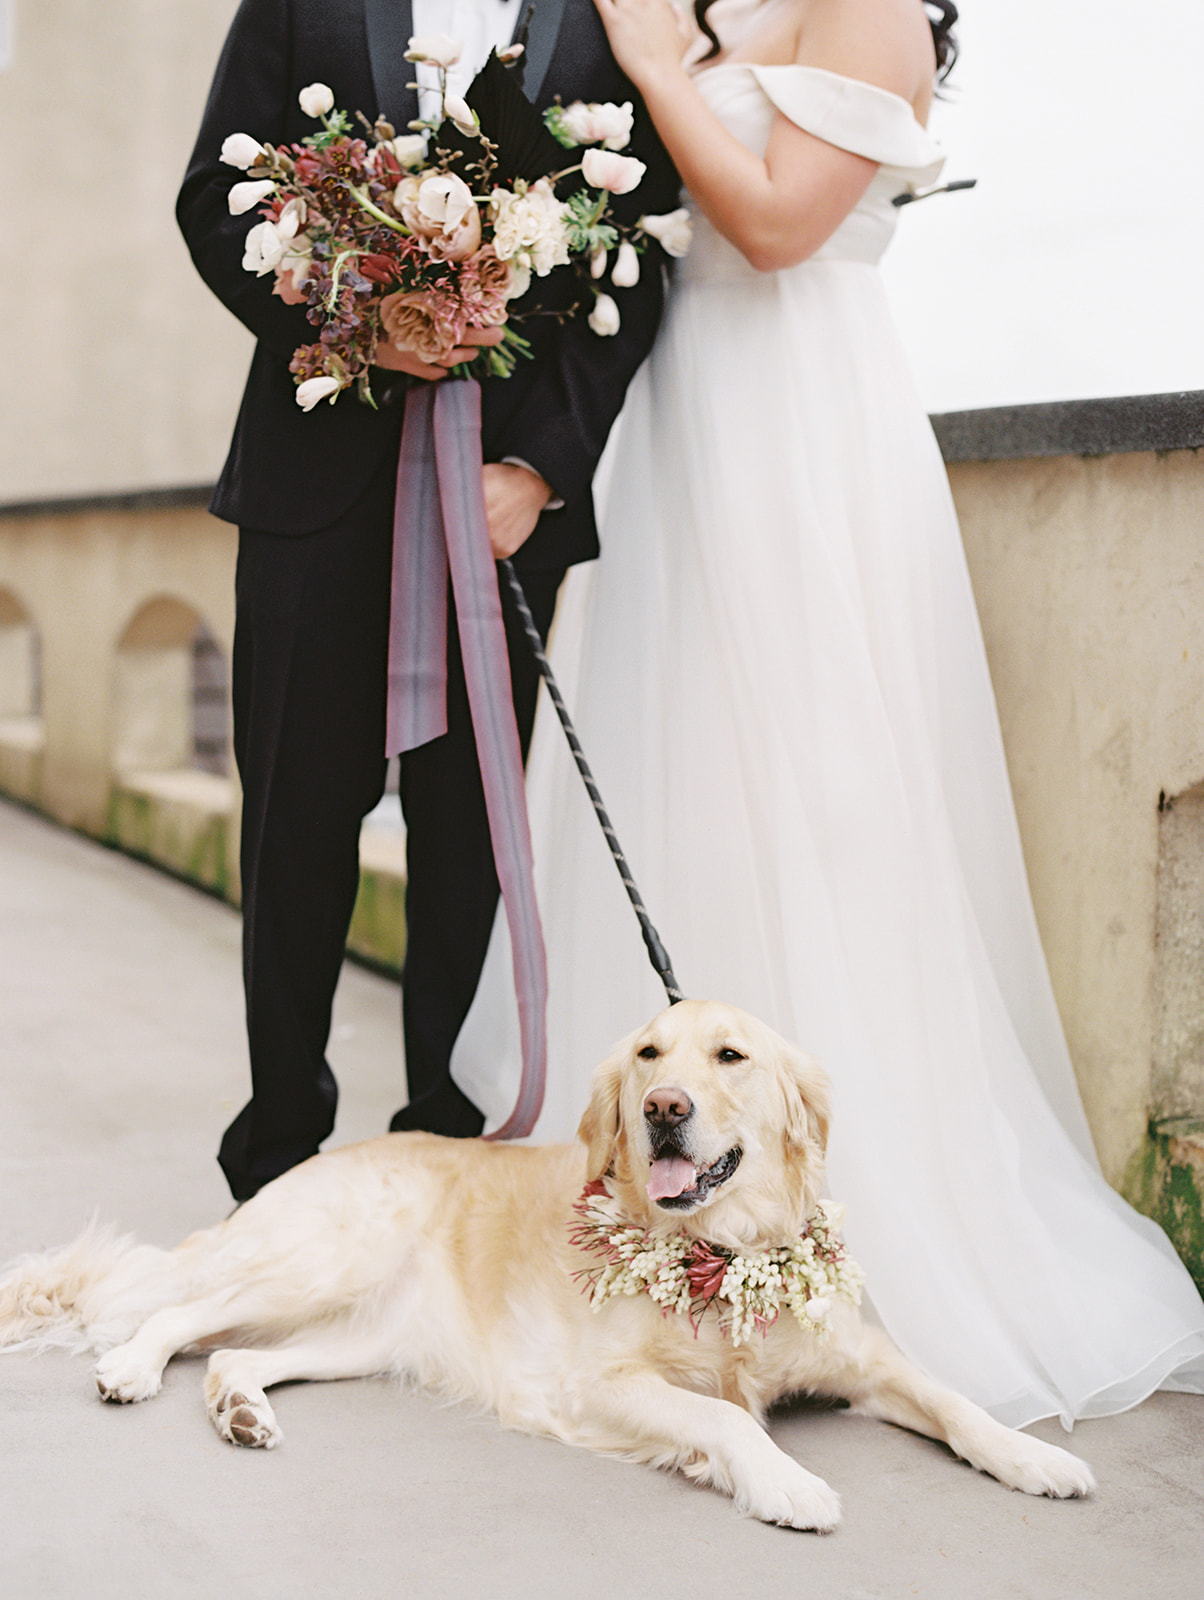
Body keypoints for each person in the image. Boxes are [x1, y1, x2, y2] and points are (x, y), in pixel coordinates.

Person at [451, 0, 1204, 1425]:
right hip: (675, 432)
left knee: (821, 793)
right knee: (678, 781)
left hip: (793, 430)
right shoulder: (717, 10)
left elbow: (783, 224)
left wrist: (663, 72)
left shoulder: (871, 14)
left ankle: (825, 1230)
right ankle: (644, 1225)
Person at [177, 0, 681, 1202]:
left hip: (502, 503)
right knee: (293, 827)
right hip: (315, 498)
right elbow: (216, 198)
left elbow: (645, 252)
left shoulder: (611, 21)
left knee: (470, 847)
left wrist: (543, 469)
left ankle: (447, 1149)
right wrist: (359, 324)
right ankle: (279, 1152)